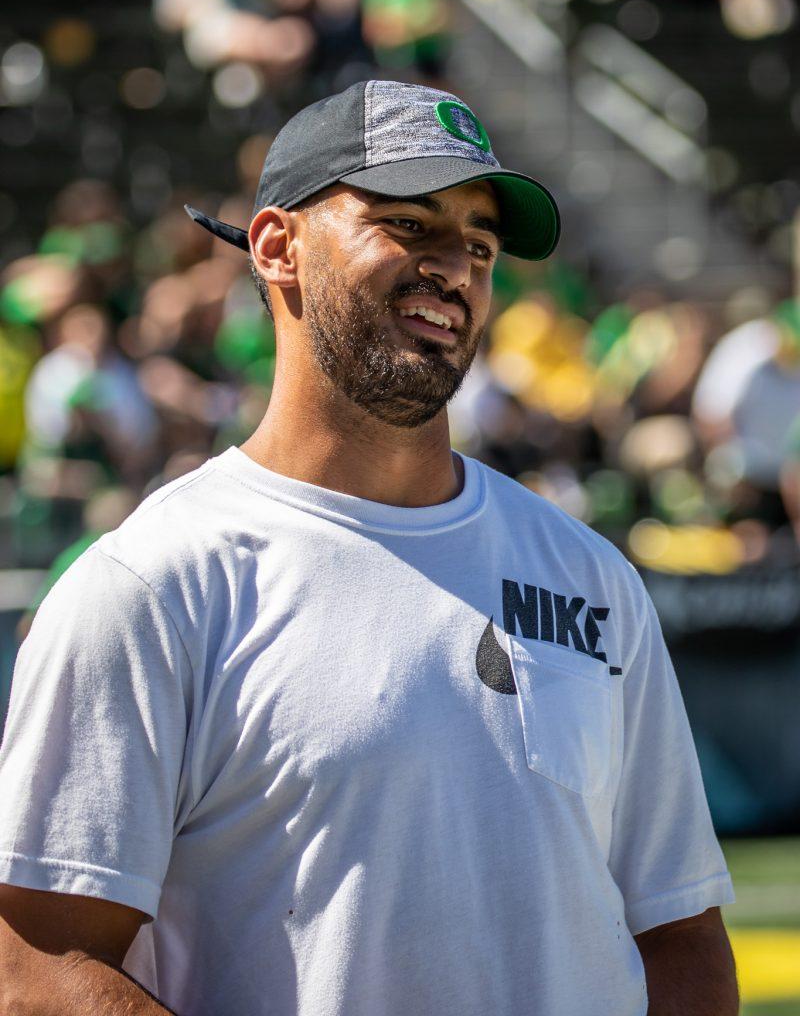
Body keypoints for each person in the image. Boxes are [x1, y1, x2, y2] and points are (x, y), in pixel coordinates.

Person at [0, 80, 737, 1015]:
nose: (456, 268)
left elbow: (679, 939)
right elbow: (41, 973)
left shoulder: (590, 576)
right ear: (277, 248)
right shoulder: (150, 585)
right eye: (409, 225)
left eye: (479, 243)